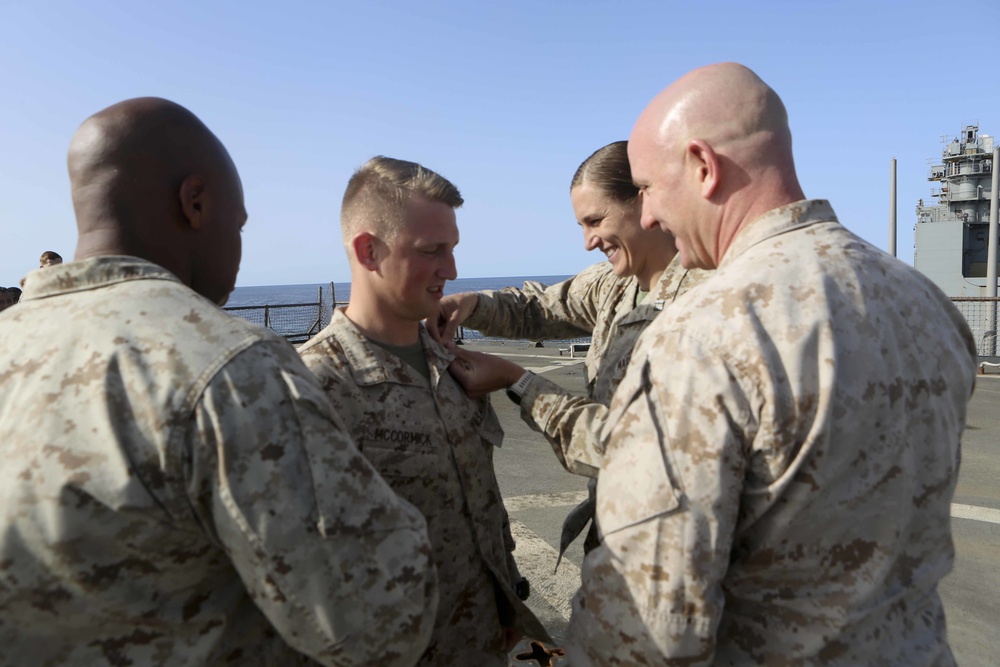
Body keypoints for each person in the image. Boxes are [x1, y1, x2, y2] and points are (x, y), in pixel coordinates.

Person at [560, 63, 976, 665]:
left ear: (703, 166)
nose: (647, 216)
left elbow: (649, 625)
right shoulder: (923, 300)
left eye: (647, 188)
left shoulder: (704, 332)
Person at [0, 98, 438, 666]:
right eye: (238, 222)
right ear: (196, 201)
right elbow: (378, 622)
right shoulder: (229, 365)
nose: (238, 247)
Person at [298, 156, 549, 666]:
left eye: (453, 249)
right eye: (432, 251)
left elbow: (484, 499)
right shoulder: (312, 385)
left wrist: (504, 602)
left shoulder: (453, 363)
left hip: (483, 638)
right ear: (369, 251)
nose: (451, 271)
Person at [430, 141, 710, 556]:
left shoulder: (711, 302)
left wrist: (518, 381)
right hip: (619, 536)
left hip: (680, 548)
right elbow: (538, 308)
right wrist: (469, 305)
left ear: (644, 201)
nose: (588, 241)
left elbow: (637, 451)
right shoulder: (616, 283)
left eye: (595, 220)